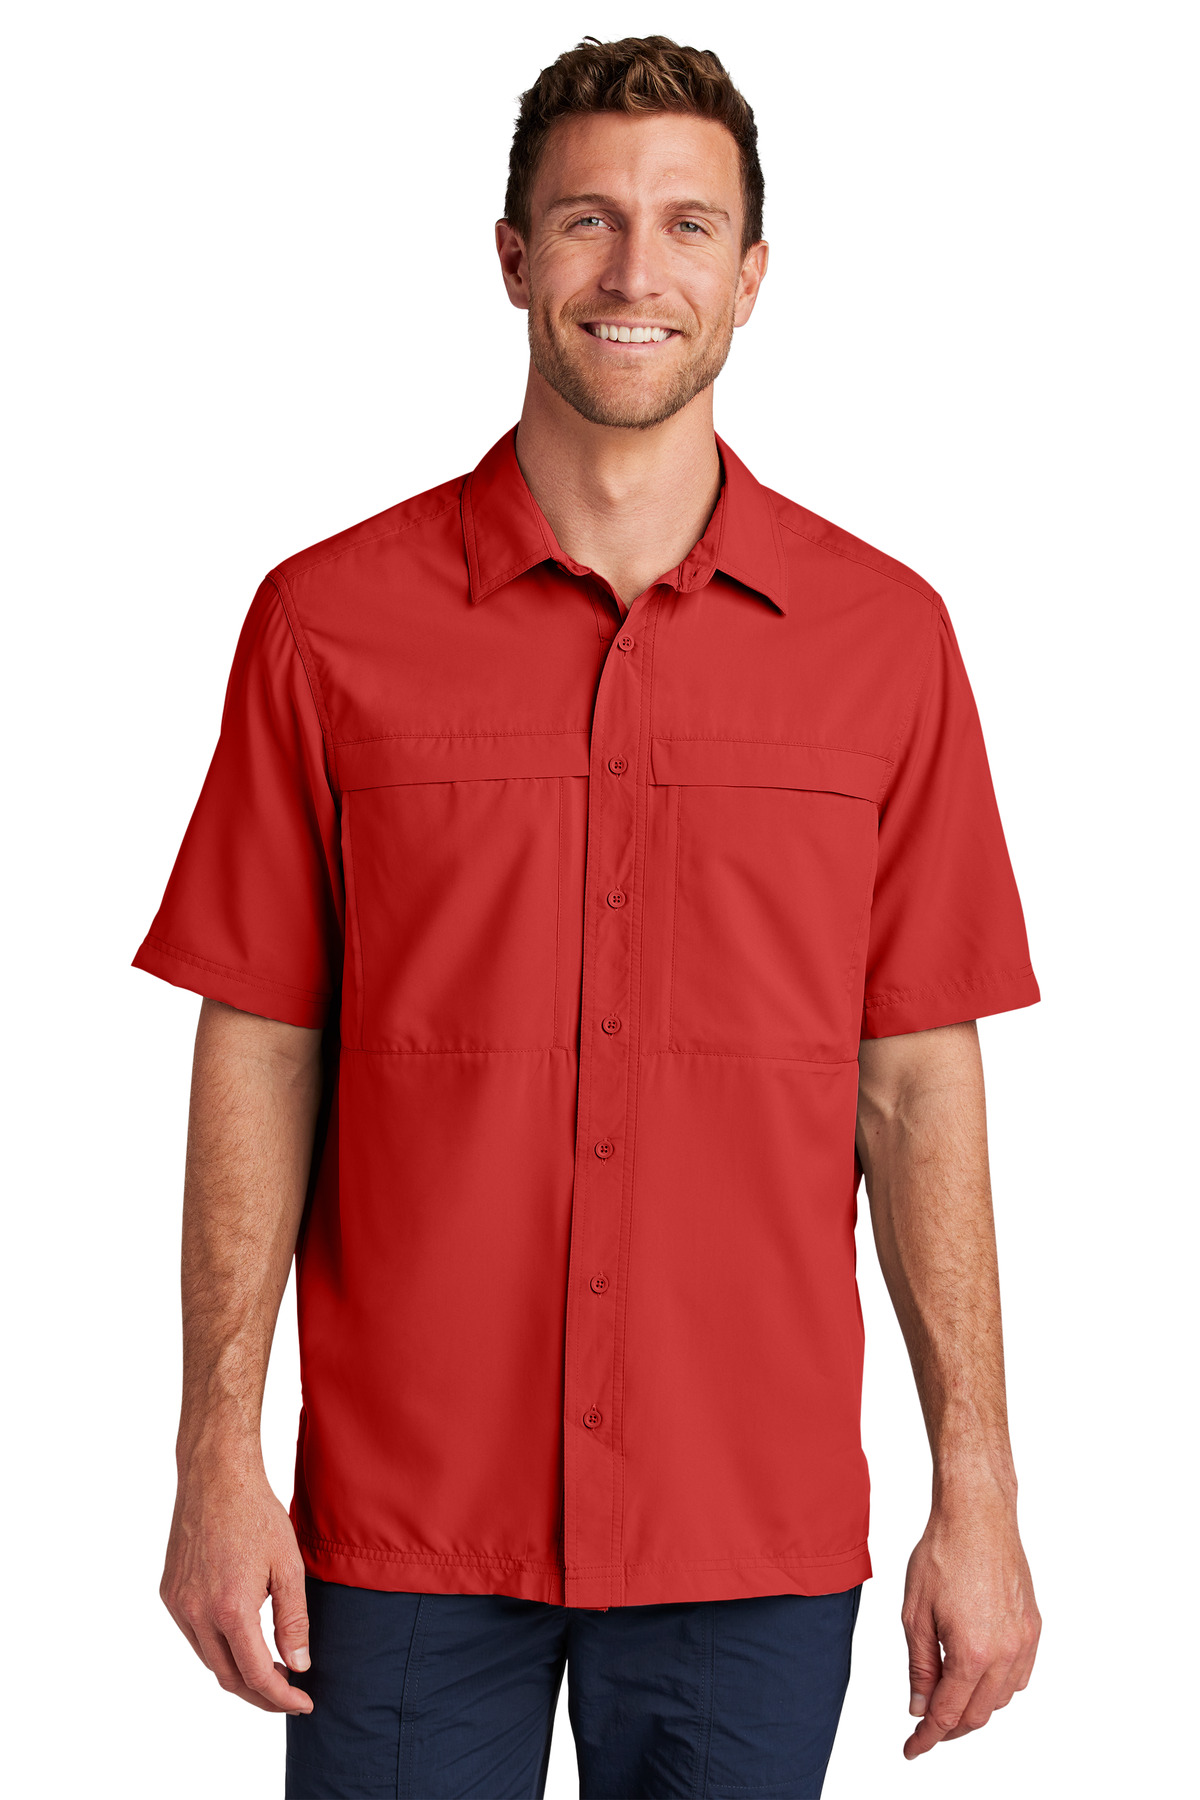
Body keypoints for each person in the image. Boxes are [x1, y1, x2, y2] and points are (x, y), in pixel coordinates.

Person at [135, 34, 1042, 1800]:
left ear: (752, 275)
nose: (636, 272)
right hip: (403, 1525)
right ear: (512, 257)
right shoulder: (325, 625)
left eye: (688, 225)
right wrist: (214, 1456)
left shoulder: (888, 644)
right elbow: (260, 1043)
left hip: (750, 1526)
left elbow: (918, 1083)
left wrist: (981, 1490)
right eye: (587, 222)